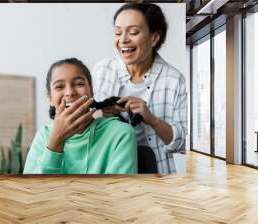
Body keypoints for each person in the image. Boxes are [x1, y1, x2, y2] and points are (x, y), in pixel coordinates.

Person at [92, 3, 187, 174]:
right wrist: (100, 114)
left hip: (154, 170)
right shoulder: (102, 69)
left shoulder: (175, 80)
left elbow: (184, 143)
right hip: (107, 166)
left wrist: (152, 119)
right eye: (118, 33)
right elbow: (85, 121)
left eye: (133, 32)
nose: (123, 40)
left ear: (154, 38)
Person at [23, 58, 137, 174]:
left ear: (91, 91)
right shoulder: (43, 136)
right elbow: (32, 190)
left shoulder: (121, 134)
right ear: (50, 98)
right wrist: (56, 141)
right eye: (59, 87)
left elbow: (119, 190)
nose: (70, 92)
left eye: (79, 84)